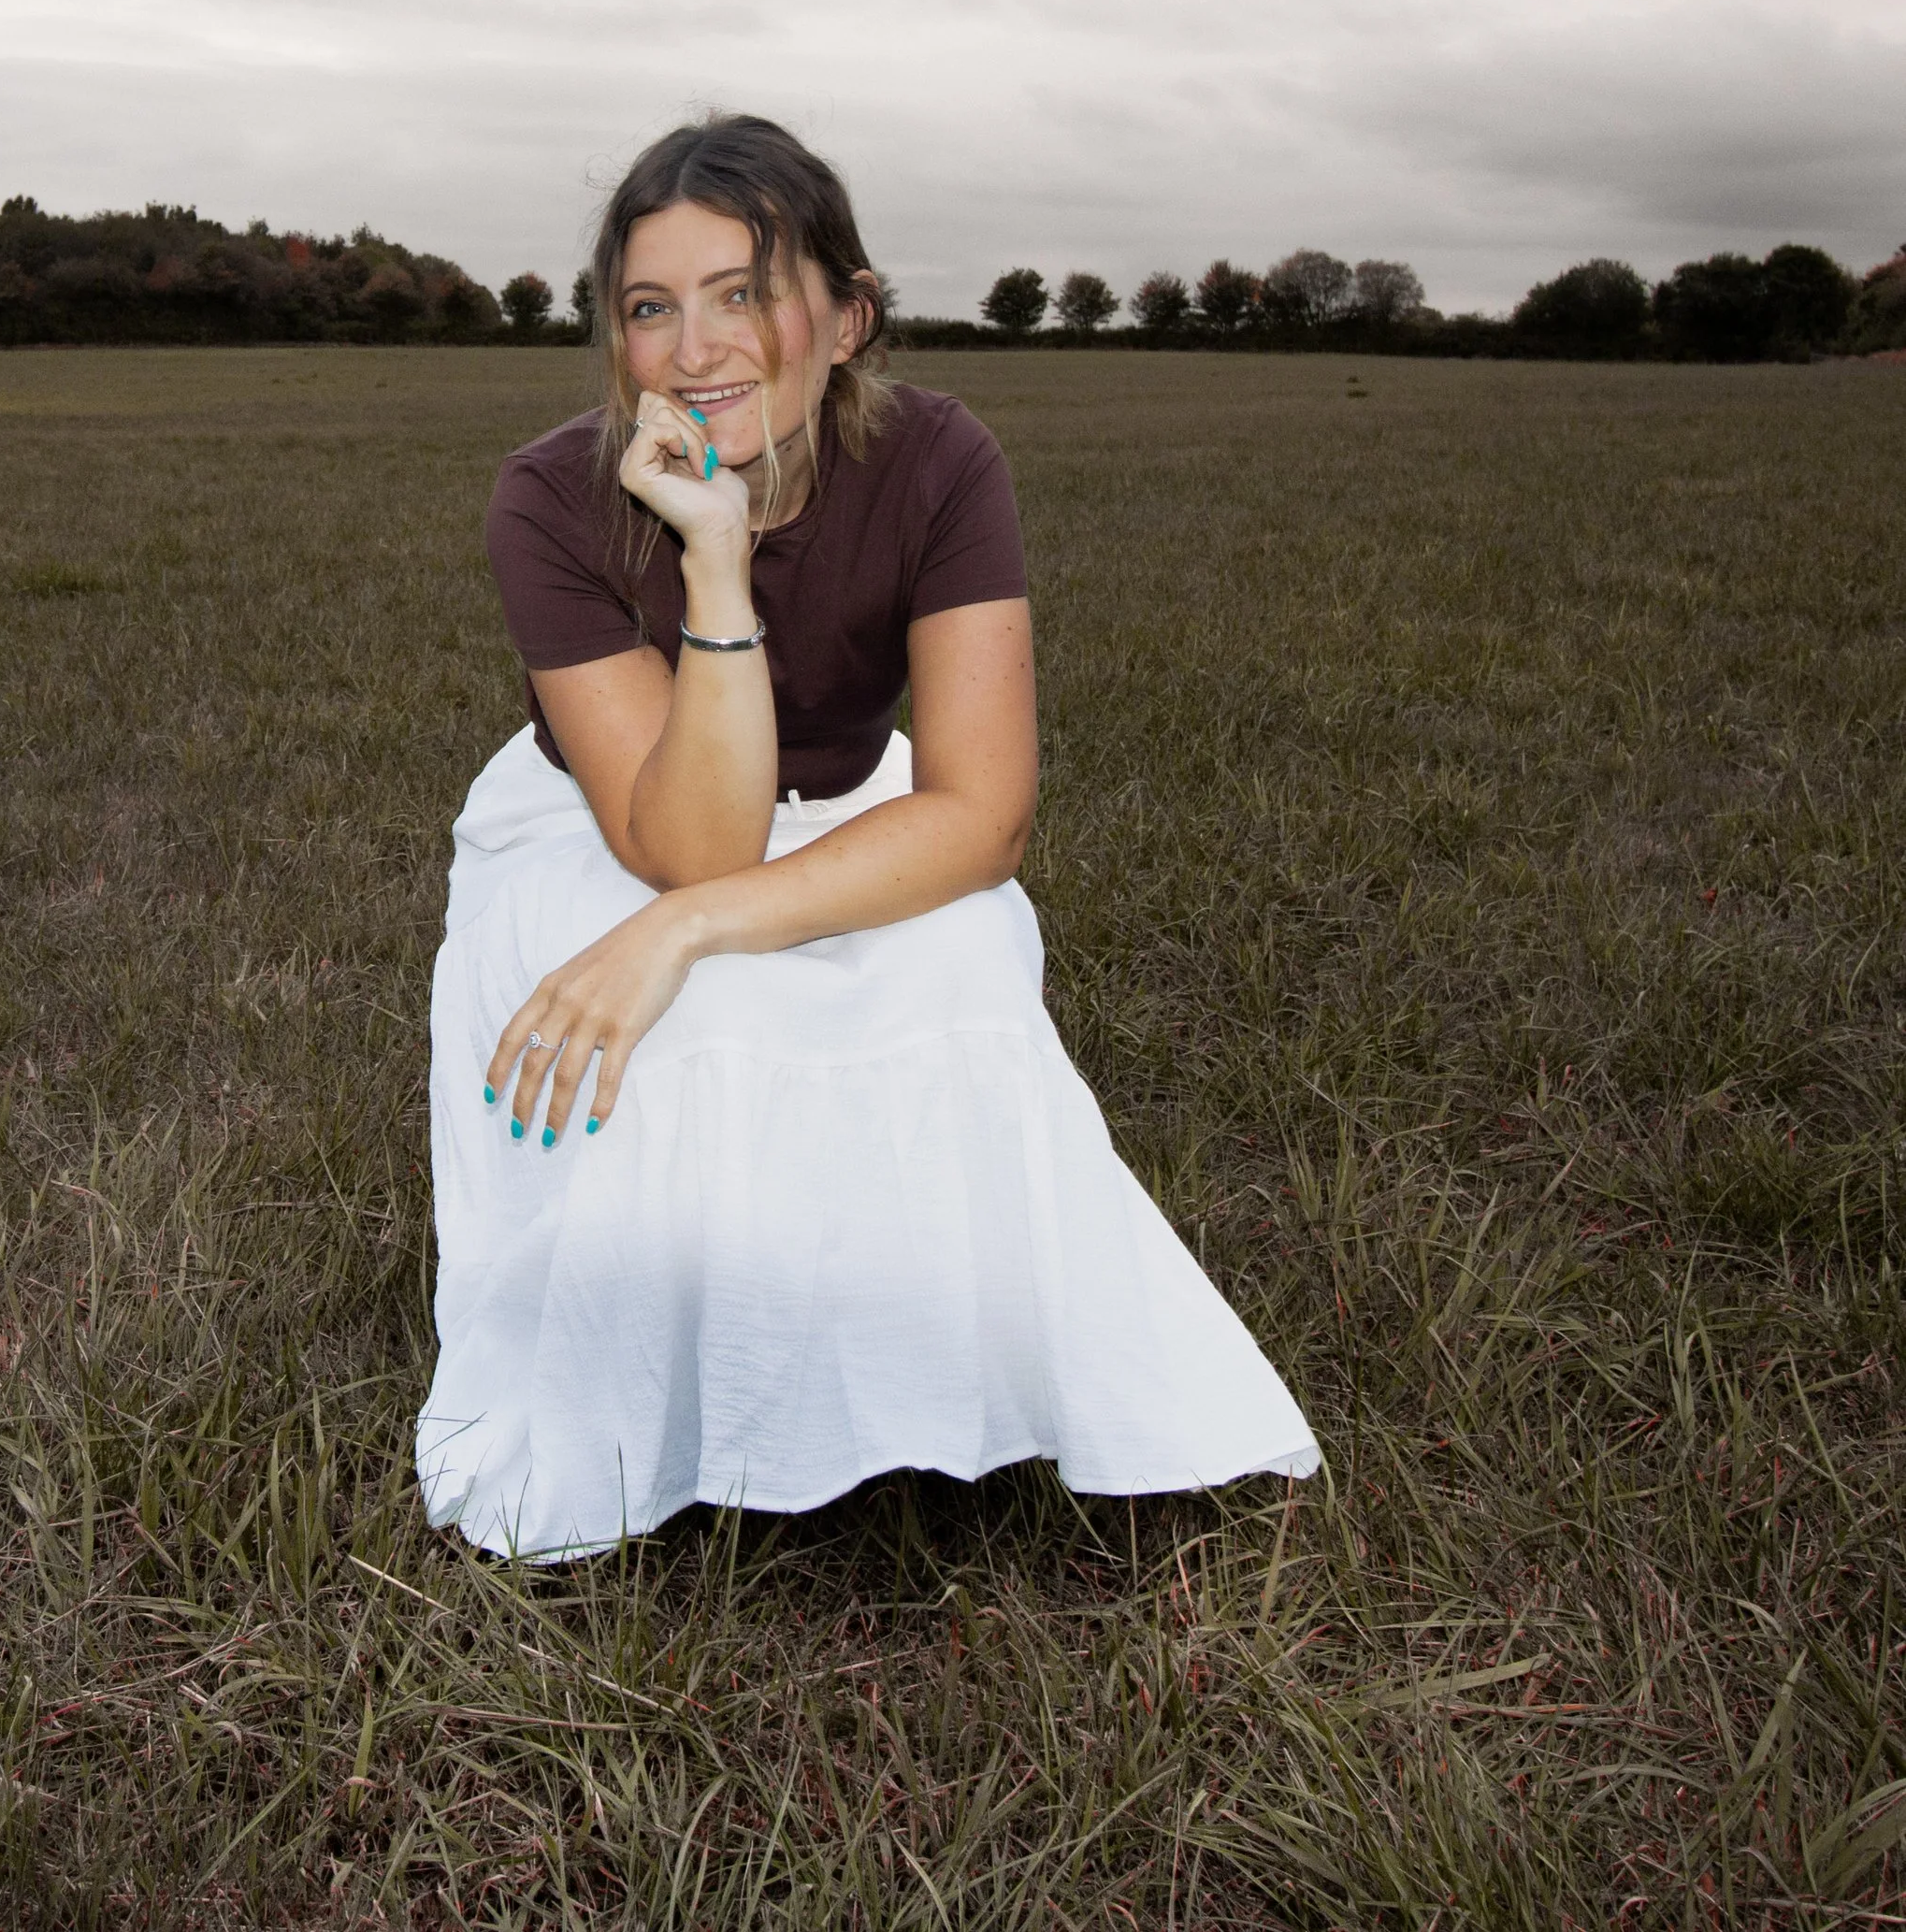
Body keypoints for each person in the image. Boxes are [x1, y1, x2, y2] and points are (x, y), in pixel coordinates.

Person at [418, 116, 1317, 1558]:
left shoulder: (940, 457)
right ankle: (658, 1408)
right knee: (684, 1041)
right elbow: (689, 843)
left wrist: (686, 928)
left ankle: (946, 1388)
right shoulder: (550, 496)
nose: (696, 347)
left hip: (844, 804)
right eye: (653, 308)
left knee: (954, 978)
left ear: (847, 318)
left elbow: (980, 809)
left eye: (745, 292)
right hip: (621, 813)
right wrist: (713, 556)